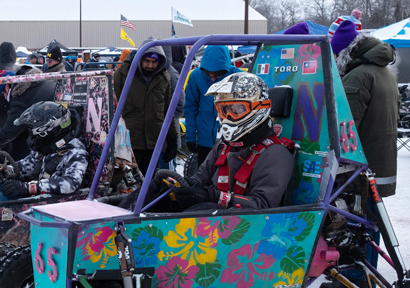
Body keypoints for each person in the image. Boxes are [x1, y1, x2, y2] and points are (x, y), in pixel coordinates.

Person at [320, 21, 400, 288]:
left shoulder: (357, 77)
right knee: (368, 219)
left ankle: (357, 276)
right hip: (381, 158)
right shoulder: (383, 71)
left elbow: (344, 127)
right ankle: (360, 272)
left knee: (358, 220)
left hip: (361, 164)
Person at [166, 72, 295, 212]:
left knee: (205, 208)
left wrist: (214, 197)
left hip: (249, 227)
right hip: (217, 221)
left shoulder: (275, 153)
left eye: (237, 109)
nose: (228, 116)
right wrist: (186, 187)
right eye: (225, 109)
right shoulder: (224, 145)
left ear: (260, 107)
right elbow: (200, 179)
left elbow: (262, 206)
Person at [0, 101, 89, 201]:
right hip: (38, 198)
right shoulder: (46, 149)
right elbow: (24, 167)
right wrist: (2, 171)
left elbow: (71, 183)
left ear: (47, 132)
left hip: (54, 205)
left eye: (34, 133)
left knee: (4, 197)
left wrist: (28, 188)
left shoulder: (76, 153)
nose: (32, 137)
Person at [114, 37, 179, 174]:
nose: (150, 65)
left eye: (154, 62)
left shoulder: (164, 77)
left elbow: (168, 109)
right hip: (128, 139)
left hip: (153, 139)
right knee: (129, 180)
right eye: (147, 61)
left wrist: (172, 139)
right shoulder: (123, 74)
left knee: (149, 179)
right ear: (140, 59)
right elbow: (113, 104)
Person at [184, 45, 241, 168]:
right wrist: (190, 136)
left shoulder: (238, 77)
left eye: (217, 74)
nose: (213, 78)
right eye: (209, 74)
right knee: (204, 177)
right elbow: (190, 107)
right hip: (204, 138)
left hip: (230, 139)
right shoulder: (196, 76)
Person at [0, 65, 56, 160]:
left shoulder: (21, 97)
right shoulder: (35, 84)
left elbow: (9, 132)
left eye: (3, 94)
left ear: (6, 88)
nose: (5, 98)